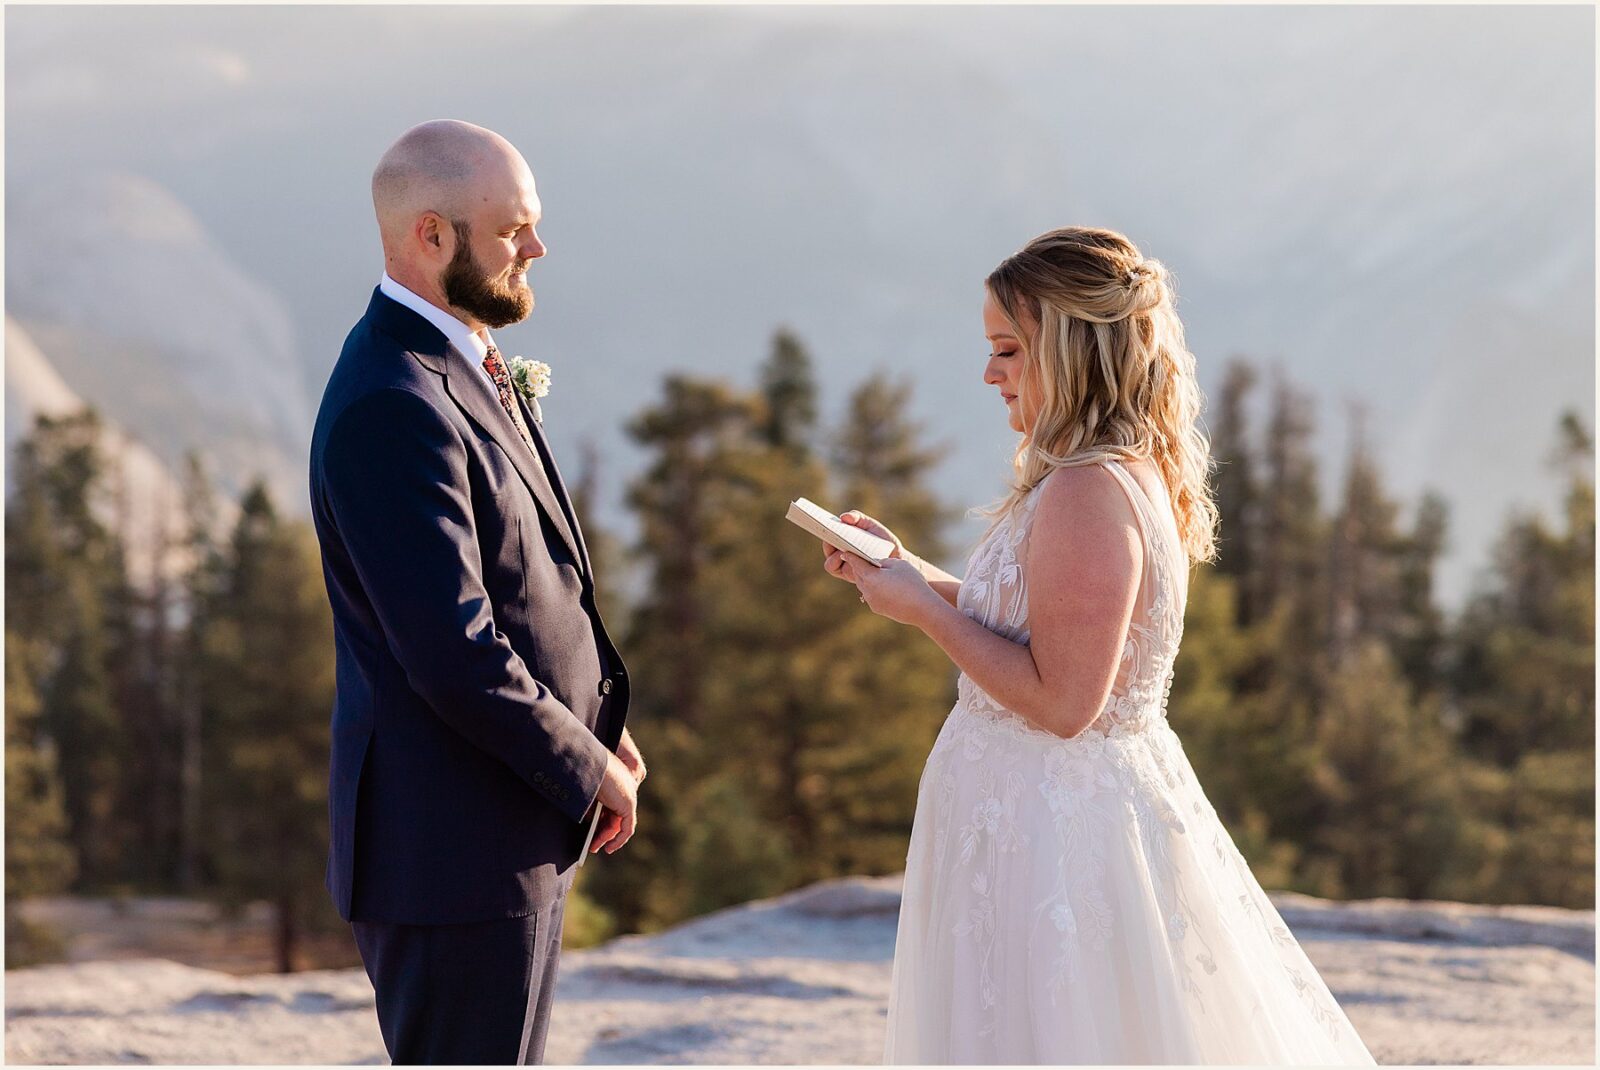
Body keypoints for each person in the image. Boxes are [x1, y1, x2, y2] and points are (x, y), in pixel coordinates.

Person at [824, 227, 1376, 1063]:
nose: (989, 374)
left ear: (1069, 350)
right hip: (1035, 814)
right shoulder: (1100, 473)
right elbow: (1030, 626)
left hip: (1054, 833)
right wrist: (908, 575)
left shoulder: (1087, 489)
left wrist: (925, 616)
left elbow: (1065, 702)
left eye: (1008, 350)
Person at [308, 120, 645, 1065]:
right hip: (450, 858)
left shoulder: (459, 358)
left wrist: (598, 724)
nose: (535, 248)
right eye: (511, 230)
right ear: (431, 235)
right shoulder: (393, 402)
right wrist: (585, 768)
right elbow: (455, 654)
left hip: (499, 832)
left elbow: (529, 586)